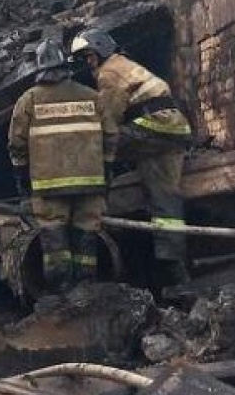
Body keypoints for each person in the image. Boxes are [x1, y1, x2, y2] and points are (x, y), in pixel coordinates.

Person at [70, 28, 194, 286]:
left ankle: (91, 199)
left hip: (153, 128)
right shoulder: (125, 65)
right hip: (172, 131)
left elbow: (108, 121)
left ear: (102, 49)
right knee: (165, 199)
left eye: (89, 56)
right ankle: (174, 269)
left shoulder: (109, 73)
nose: (89, 63)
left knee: (98, 144)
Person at [10, 39, 117, 293]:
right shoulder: (92, 98)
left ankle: (61, 293)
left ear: (39, 69)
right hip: (90, 184)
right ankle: (87, 290)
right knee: (86, 235)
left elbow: (16, 144)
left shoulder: (29, 101)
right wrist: (107, 167)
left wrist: (22, 174)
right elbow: (111, 136)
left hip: (48, 188)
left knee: (54, 240)